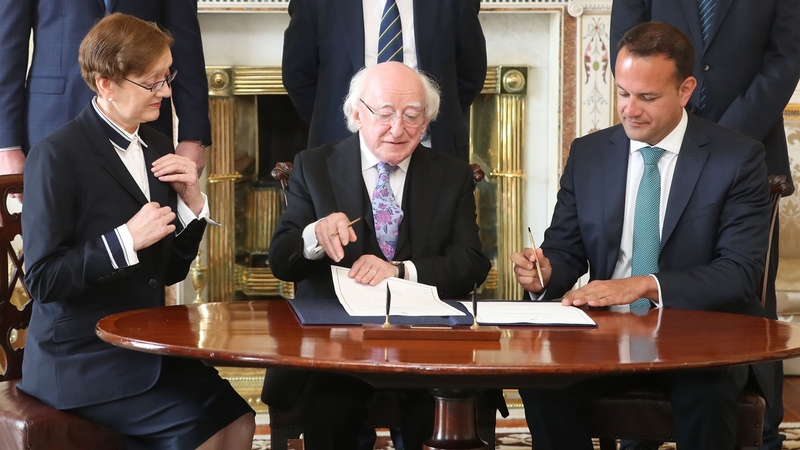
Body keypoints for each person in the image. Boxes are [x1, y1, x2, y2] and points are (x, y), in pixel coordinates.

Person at [510, 22, 772, 450]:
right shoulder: (590, 154)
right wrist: (544, 273)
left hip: (700, 336)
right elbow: (565, 251)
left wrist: (643, 285)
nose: (629, 110)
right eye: (622, 93)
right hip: (606, 333)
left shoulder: (737, 158)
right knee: (543, 382)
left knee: (706, 394)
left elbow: (739, 273)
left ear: (685, 90)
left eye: (647, 98)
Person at [19, 14, 254, 450]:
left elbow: (169, 273)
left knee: (240, 418)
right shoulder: (55, 156)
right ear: (106, 84)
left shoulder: (159, 147)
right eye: (152, 82)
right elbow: (44, 280)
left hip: (144, 346)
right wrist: (125, 240)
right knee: (197, 429)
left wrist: (192, 206)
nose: (165, 91)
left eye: (167, 77)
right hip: (79, 360)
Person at [262, 61, 495, 450]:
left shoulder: (451, 175)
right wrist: (314, 235)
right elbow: (280, 260)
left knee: (441, 411)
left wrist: (400, 271)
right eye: (385, 114)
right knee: (330, 410)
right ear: (357, 114)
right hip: (336, 345)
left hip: (427, 342)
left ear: (426, 121)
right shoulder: (314, 166)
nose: (398, 129)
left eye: (412, 116)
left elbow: (472, 264)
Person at [609, 2, 800, 447]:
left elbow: (786, 57)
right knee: (648, 264)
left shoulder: (738, 156)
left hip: (748, 147)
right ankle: (637, 424)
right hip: (658, 137)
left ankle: (762, 430)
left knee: (747, 289)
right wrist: (669, 119)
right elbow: (628, 41)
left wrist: (715, 143)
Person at [0, 0, 210, 177]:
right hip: (55, 117)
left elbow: (185, 43)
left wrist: (193, 138)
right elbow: (7, 47)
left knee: (151, 211)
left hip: (145, 126)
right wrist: (6, 145)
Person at [281, 0, 486, 162]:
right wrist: (347, 118)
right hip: (338, 148)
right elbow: (298, 75)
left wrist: (423, 117)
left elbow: (470, 72)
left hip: (433, 149)